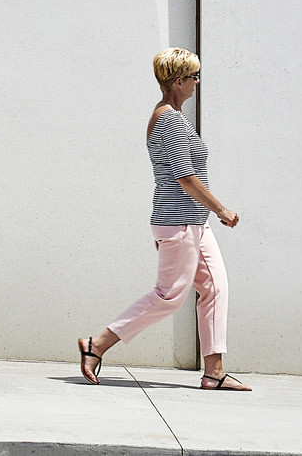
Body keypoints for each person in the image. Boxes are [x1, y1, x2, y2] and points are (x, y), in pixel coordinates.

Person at [76, 48, 250, 391]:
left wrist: (208, 215)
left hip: (195, 224)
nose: (198, 82)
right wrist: (221, 209)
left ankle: (214, 373)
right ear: (179, 81)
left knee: (216, 288)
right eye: (194, 77)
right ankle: (96, 345)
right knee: (170, 295)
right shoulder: (169, 119)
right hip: (178, 222)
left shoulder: (177, 117)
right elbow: (184, 177)